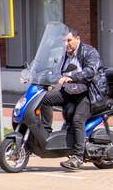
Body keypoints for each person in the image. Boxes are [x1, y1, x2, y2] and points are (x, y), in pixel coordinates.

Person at [42, 28, 107, 171]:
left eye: (69, 40)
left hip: (89, 94)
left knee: (78, 119)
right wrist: (46, 78)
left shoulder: (90, 52)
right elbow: (56, 70)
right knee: (45, 99)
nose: (66, 44)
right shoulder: (65, 55)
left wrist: (72, 77)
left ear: (77, 39)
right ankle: (46, 133)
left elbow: (90, 71)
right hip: (70, 91)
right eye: (64, 41)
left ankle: (78, 157)